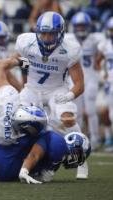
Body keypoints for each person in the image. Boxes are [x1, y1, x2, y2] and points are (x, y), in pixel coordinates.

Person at [0, 11, 88, 179]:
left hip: (57, 89)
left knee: (66, 119)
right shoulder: (27, 42)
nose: (46, 38)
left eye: (51, 34)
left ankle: (80, 159)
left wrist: (68, 96)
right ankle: (21, 159)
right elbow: (24, 62)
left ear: (60, 33)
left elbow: (80, 84)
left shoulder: (70, 50)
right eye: (43, 33)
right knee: (15, 119)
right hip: (32, 88)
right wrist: (16, 63)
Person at [67, 11, 104, 151]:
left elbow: (106, 42)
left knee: (91, 110)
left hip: (90, 78)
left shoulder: (96, 38)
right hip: (75, 79)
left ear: (89, 26)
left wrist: (99, 58)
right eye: (78, 26)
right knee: (77, 112)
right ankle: (79, 139)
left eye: (83, 26)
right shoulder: (68, 38)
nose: (81, 29)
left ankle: (95, 139)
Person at [96, 17, 113, 151]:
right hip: (109, 83)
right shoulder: (104, 44)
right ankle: (108, 138)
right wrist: (103, 73)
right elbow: (98, 61)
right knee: (105, 112)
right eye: (111, 30)